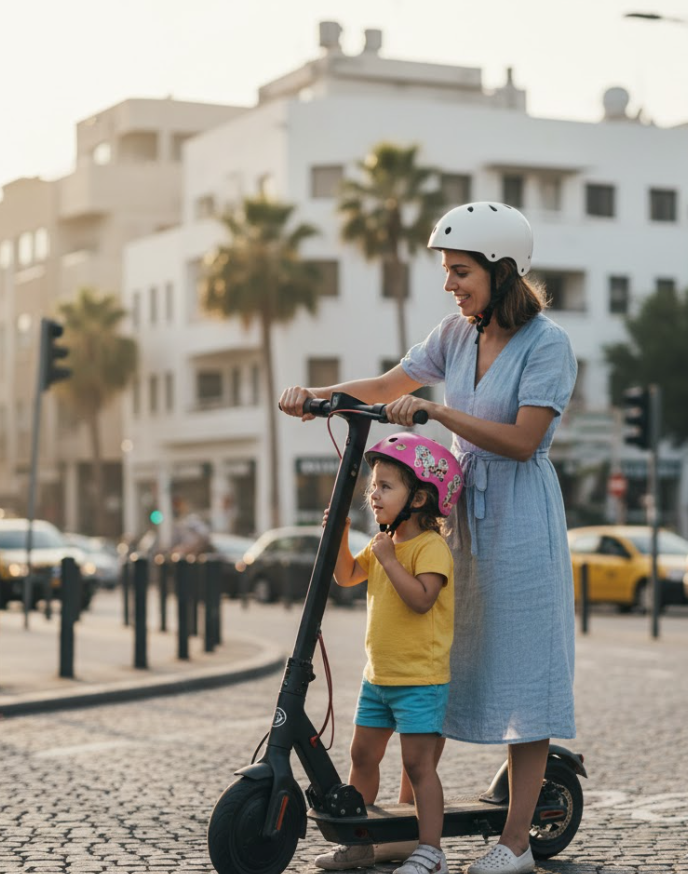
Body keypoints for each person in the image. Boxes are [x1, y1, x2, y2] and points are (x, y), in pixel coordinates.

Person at [281, 201, 577, 874]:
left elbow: (524, 439)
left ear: (502, 271)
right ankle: (414, 834)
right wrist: (319, 396)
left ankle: (517, 843)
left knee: (525, 678)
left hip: (521, 520)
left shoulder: (547, 344)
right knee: (434, 663)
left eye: (461, 271)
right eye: (447, 272)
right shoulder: (454, 335)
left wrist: (439, 410)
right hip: (461, 514)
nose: (450, 284)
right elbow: (390, 384)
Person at [315, 432, 461, 874]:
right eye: (372, 486)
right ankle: (360, 843)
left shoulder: (428, 548)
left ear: (418, 498)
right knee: (363, 758)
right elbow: (345, 575)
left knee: (418, 766)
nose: (373, 495)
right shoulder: (383, 543)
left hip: (420, 679)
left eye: (385, 487)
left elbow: (421, 599)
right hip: (378, 677)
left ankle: (430, 851)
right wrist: (339, 533)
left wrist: (391, 560)